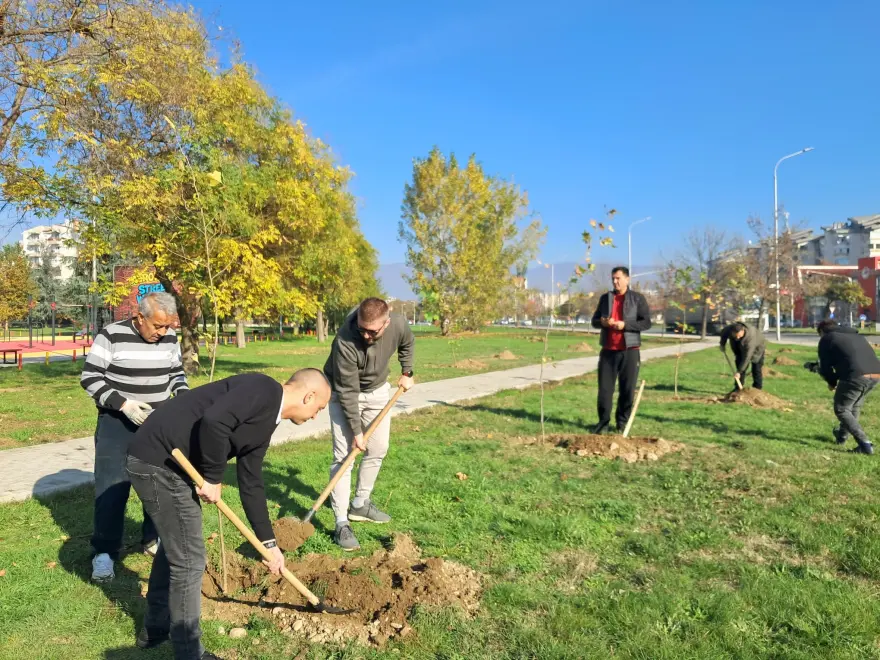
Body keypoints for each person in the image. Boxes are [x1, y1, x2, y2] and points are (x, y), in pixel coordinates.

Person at [126, 369, 331, 660]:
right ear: (309, 396)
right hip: (157, 460)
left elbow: (251, 481)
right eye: (319, 408)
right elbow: (214, 421)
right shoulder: (263, 389)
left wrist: (268, 544)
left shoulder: (266, 421)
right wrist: (213, 476)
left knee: (177, 548)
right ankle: (189, 653)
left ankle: (156, 629)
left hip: (173, 466)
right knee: (190, 558)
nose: (315, 416)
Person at [80, 291, 189, 582]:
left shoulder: (170, 338)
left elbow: (176, 373)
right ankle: (104, 552)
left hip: (158, 424)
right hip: (117, 423)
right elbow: (90, 378)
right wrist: (123, 404)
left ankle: (152, 539)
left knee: (158, 485)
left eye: (168, 326)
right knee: (112, 488)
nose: (163, 332)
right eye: (158, 326)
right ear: (139, 317)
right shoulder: (111, 335)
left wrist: (183, 394)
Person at [323, 297, 415, 551]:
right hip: (342, 393)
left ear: (386, 323)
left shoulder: (398, 324)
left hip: (377, 391)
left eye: (372, 331)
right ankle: (341, 522)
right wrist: (356, 432)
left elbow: (408, 343)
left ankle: (360, 504)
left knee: (378, 448)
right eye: (362, 328)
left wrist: (407, 372)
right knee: (344, 457)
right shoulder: (345, 340)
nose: (365, 335)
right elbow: (347, 391)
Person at [590, 266, 652, 434]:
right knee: (604, 390)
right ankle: (603, 423)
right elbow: (594, 321)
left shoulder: (637, 299)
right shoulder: (605, 298)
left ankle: (621, 424)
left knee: (627, 389)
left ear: (627, 279)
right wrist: (603, 322)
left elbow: (646, 323)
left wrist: (626, 325)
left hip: (629, 350)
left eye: (618, 278)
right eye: (613, 279)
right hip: (608, 351)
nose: (615, 281)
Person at [816, 319, 880, 455]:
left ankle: (864, 444)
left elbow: (826, 367)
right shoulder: (855, 335)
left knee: (842, 409)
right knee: (854, 405)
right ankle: (842, 436)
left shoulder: (827, 338)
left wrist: (831, 382)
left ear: (821, 331)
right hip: (876, 374)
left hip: (856, 375)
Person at [719, 321, 765, 390]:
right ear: (732, 332)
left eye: (739, 336)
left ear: (743, 331)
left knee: (756, 369)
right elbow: (723, 334)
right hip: (739, 348)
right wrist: (722, 344)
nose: (737, 338)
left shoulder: (750, 337)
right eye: (735, 336)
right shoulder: (728, 329)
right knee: (739, 365)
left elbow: (747, 357)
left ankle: (757, 388)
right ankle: (738, 388)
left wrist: (739, 371)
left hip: (757, 349)